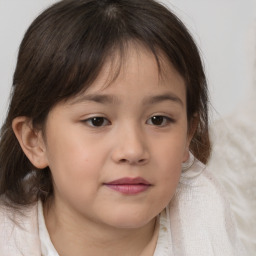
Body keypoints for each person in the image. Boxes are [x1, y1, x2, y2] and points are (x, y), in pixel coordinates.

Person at [0, 0, 244, 255]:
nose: (133, 150)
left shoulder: (209, 225)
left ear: (187, 134)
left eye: (158, 119)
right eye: (97, 121)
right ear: (34, 140)